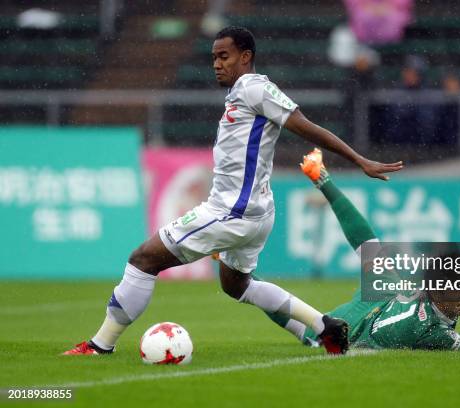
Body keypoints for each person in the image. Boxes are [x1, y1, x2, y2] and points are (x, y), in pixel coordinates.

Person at [63, 27, 403, 356]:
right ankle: (323, 325)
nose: (216, 64)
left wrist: (359, 159)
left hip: (232, 212)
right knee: (235, 285)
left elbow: (307, 127)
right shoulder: (240, 93)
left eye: (224, 56)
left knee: (142, 260)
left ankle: (99, 345)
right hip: (255, 212)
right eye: (213, 57)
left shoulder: (254, 88)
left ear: (246, 56)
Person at [263, 148, 460, 351]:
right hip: (356, 329)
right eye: (458, 293)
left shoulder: (441, 291)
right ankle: (244, 281)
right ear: (436, 293)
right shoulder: (430, 331)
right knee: (310, 336)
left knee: (370, 248)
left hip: (390, 293)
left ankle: (321, 176)